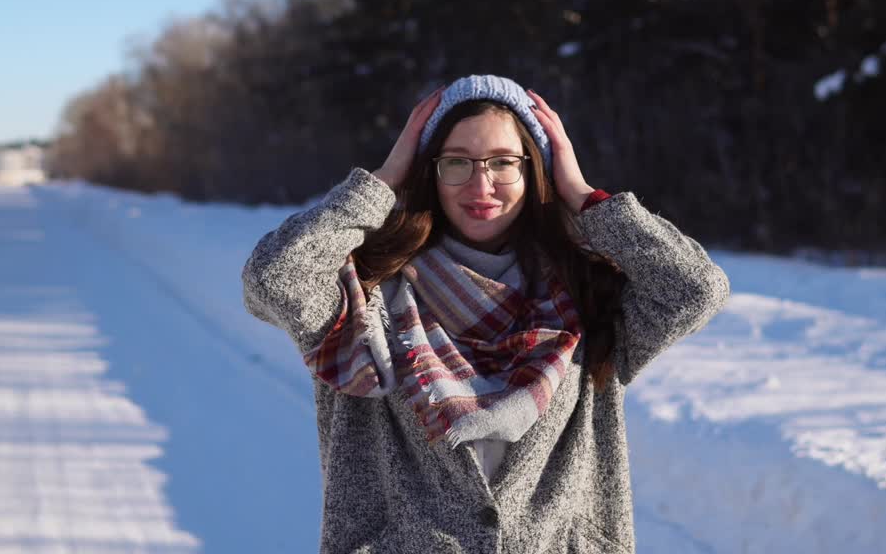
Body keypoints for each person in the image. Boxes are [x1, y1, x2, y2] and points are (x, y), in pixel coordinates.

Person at [242, 74, 730, 553]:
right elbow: (272, 278)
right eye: (457, 162)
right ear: (428, 171)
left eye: (503, 162)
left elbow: (696, 289)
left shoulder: (587, 297)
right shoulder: (365, 297)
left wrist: (584, 198)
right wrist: (382, 183)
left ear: (534, 169)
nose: (481, 184)